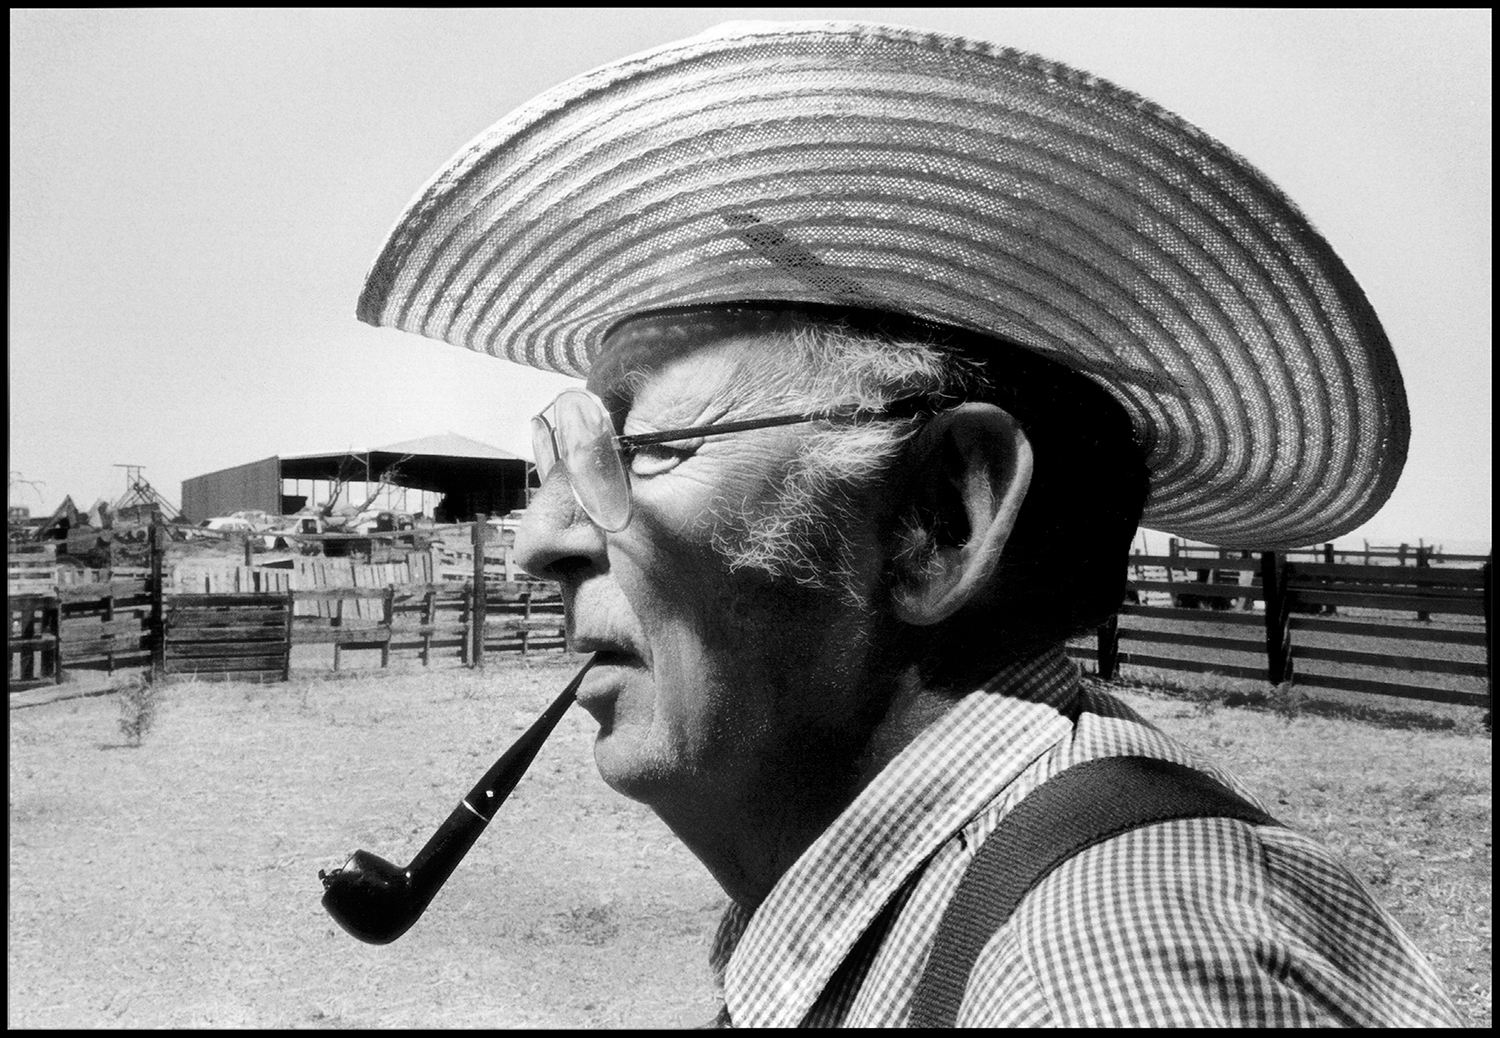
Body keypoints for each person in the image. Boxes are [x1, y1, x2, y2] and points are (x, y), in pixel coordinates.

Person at [355, 21, 1458, 1027]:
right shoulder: (955, 890)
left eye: (639, 453)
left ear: (936, 519)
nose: (537, 542)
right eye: (566, 455)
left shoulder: (1106, 964)